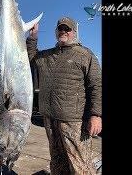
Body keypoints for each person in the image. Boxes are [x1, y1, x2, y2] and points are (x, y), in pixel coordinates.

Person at [26, 17, 102, 174]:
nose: (63, 31)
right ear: (56, 32)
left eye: (67, 29)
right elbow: (31, 58)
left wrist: (96, 115)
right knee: (57, 162)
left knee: (81, 166)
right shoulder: (47, 56)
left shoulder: (85, 55)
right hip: (50, 118)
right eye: (60, 28)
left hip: (74, 121)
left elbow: (96, 86)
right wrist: (33, 37)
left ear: (74, 32)